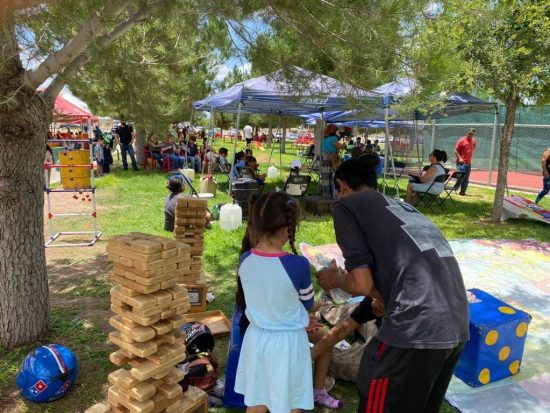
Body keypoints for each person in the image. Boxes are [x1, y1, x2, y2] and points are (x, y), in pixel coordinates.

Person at [316, 156, 469, 413]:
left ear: (341, 185)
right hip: (456, 324)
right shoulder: (404, 209)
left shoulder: (347, 205)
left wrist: (336, 279)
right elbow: (381, 286)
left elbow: (361, 283)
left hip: (415, 326)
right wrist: (380, 296)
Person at [235, 192, 340, 412]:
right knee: (291, 401)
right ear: (286, 229)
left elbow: (266, 296)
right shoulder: (297, 264)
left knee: (257, 400)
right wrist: (321, 302)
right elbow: (308, 304)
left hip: (256, 339)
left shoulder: (245, 259)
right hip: (288, 344)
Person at [454, 128, 477, 195]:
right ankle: (454, 189)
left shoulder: (474, 141)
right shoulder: (461, 141)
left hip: (468, 163)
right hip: (461, 163)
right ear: (467, 133)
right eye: (469, 133)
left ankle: (462, 192)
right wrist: (460, 158)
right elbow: (455, 150)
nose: (470, 135)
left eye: (472, 134)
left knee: (466, 179)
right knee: (461, 177)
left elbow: (473, 148)